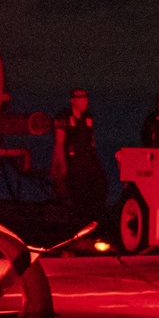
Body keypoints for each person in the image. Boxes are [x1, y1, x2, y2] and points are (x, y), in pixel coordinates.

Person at [50, 88, 107, 224]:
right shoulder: (63, 117)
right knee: (76, 190)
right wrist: (60, 165)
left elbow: (91, 142)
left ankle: (92, 218)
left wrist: (95, 162)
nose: (85, 101)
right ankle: (77, 219)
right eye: (81, 98)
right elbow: (59, 143)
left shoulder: (87, 117)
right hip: (72, 161)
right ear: (73, 101)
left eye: (86, 98)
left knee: (100, 184)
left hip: (87, 160)